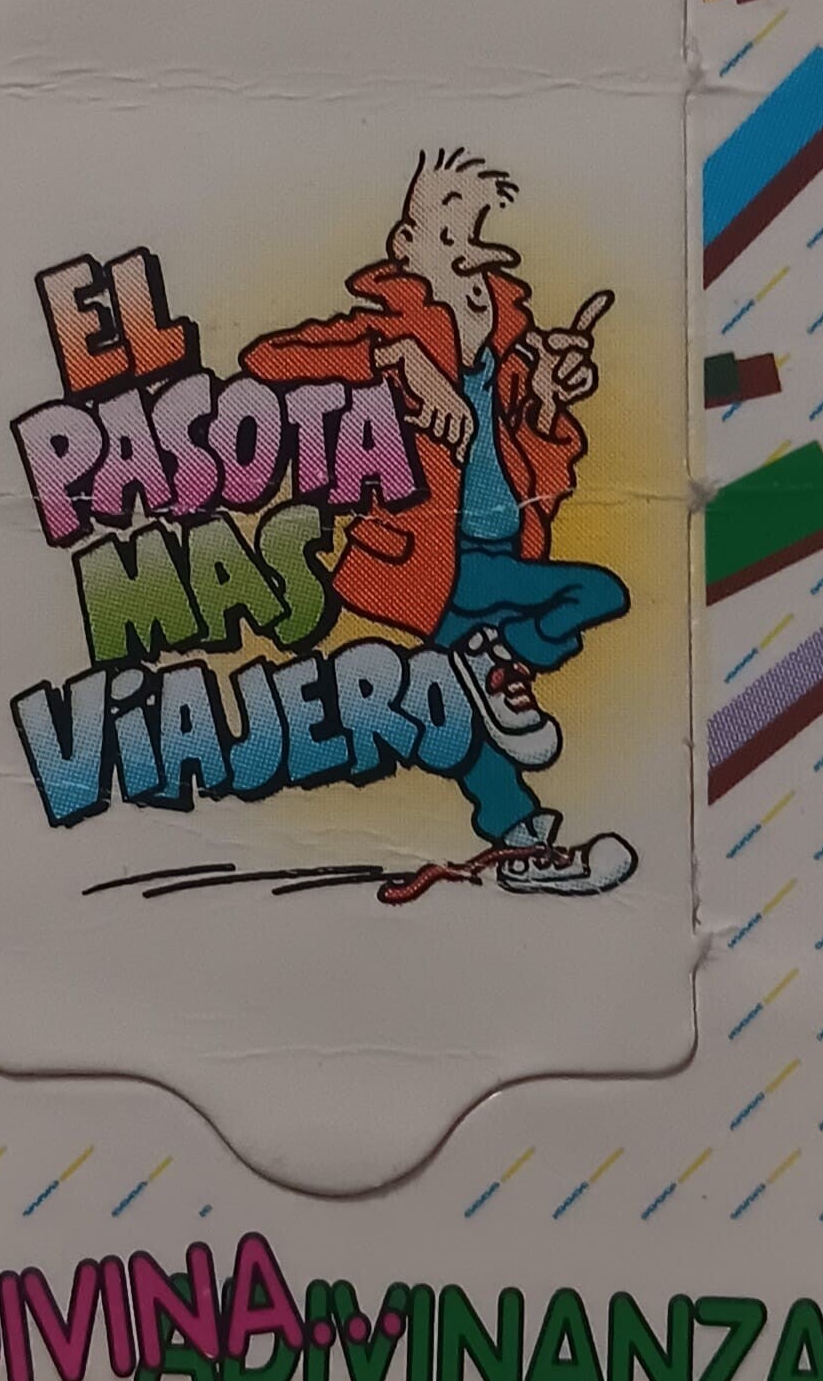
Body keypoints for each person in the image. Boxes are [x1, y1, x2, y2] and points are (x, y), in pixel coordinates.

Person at [240, 147, 636, 896]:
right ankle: (500, 663)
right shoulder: (385, 335)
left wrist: (547, 399)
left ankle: (521, 841)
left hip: (498, 549)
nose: (468, 272)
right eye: (449, 242)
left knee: (460, 719)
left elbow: (540, 473)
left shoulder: (503, 362)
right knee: (594, 592)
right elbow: (265, 359)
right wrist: (396, 357)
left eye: (478, 254)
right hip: (430, 564)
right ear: (405, 248)